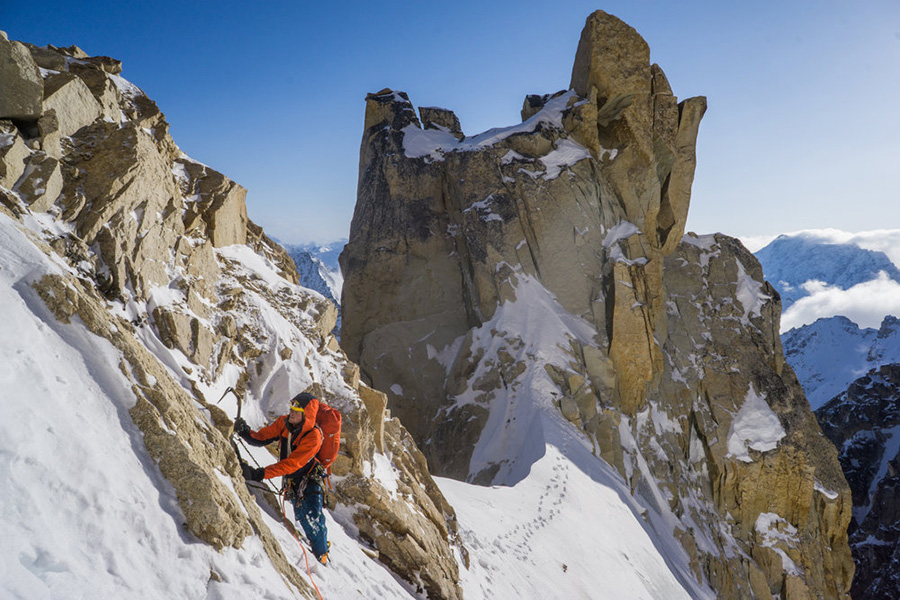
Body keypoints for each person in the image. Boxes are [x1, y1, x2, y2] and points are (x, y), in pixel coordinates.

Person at [234, 392, 330, 565]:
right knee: (301, 516)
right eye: (292, 408)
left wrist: (259, 474)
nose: (292, 412)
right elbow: (263, 437)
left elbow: (292, 464)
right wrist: (246, 433)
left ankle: (322, 554)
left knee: (312, 517)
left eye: (297, 410)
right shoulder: (285, 424)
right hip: (293, 482)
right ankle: (319, 548)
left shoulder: (314, 437)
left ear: (305, 415)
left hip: (310, 481)